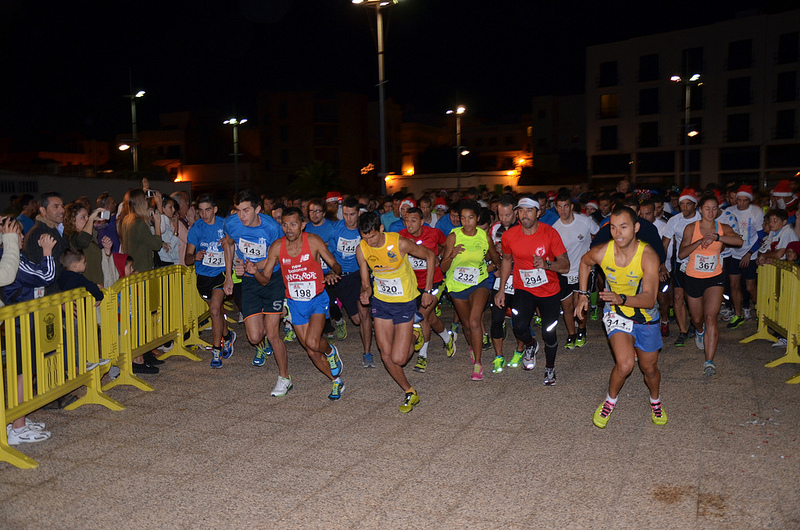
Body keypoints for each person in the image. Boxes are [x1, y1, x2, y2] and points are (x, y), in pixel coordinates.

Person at [576, 206, 666, 428]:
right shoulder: (603, 251)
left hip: (645, 316)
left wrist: (621, 298)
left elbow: (650, 299)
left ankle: (655, 400)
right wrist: (583, 295)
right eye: (613, 228)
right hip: (617, 313)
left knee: (649, 369)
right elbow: (585, 262)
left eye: (624, 227)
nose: (618, 233)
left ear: (636, 227)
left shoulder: (648, 256)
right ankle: (610, 401)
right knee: (625, 365)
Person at [256, 207, 346, 400]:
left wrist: (333, 273)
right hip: (295, 303)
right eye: (285, 224)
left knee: (314, 342)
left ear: (302, 225)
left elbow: (335, 264)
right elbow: (265, 279)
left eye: (293, 224)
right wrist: (253, 271)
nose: (289, 229)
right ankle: (336, 380)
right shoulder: (277, 247)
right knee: (311, 350)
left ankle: (331, 352)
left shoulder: (313, 241)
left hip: (316, 300)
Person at [356, 211, 437, 412]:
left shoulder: (398, 242)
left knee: (399, 358)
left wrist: (427, 290)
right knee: (386, 355)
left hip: (404, 302)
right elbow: (366, 283)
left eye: (373, 236)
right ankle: (410, 392)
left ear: (381, 229)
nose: (370, 242)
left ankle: (415, 331)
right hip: (382, 302)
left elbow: (430, 255)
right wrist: (365, 293)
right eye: (365, 238)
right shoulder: (362, 249)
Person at [494, 197, 569, 386]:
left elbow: (565, 265)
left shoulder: (550, 233)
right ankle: (530, 345)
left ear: (538, 213)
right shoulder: (510, 235)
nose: (524, 214)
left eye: (529, 210)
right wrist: (502, 289)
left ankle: (550, 368)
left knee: (549, 332)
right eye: (521, 211)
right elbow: (506, 261)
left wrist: (547, 264)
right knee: (518, 326)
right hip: (523, 288)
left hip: (549, 290)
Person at [223, 189, 291, 397]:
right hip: (250, 282)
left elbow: (277, 257)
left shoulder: (272, 228)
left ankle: (284, 378)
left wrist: (254, 265)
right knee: (254, 337)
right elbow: (229, 244)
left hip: (273, 281)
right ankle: (263, 344)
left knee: (272, 334)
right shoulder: (232, 223)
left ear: (258, 210)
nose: (241, 215)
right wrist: (228, 276)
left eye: (246, 210)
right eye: (238, 210)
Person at [2, 218, 56, 444]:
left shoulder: (12, 257)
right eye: (18, 234)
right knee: (21, 373)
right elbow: (46, 276)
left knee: (20, 371)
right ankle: (18, 427)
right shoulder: (9, 259)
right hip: (21, 324)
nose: (23, 238)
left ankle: (17, 419)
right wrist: (47, 253)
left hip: (20, 323)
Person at [678, 194, 742, 376]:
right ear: (700, 209)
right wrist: (699, 241)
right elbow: (682, 254)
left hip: (715, 276)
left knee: (710, 317)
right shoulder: (691, 228)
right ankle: (699, 331)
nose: (711, 212)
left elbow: (739, 241)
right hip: (693, 277)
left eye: (714, 209)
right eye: (707, 208)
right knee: (698, 319)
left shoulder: (723, 228)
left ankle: (709, 361)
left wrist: (718, 238)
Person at [440, 200, 501, 380]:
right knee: (466, 325)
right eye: (463, 218)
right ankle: (472, 346)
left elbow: (494, 257)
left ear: (478, 218)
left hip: (479, 282)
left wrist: (497, 266)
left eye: (471, 218)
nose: (466, 222)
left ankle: (478, 363)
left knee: (475, 321)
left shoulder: (484, 237)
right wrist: (451, 255)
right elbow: (443, 268)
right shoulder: (453, 237)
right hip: (457, 286)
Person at [399, 206, 455, 373]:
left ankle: (422, 356)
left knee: (422, 317)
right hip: (413, 285)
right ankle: (447, 337)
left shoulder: (434, 233)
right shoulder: (401, 236)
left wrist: (441, 258)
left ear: (423, 221)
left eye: (413, 220)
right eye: (407, 220)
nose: (409, 224)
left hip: (435, 281)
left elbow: (446, 245)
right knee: (430, 319)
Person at [185, 194, 236, 368]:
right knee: (216, 313)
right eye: (201, 210)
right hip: (203, 276)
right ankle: (228, 336)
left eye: (208, 210)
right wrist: (195, 256)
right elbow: (187, 258)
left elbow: (237, 243)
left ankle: (216, 351)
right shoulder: (196, 229)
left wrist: (229, 242)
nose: (204, 214)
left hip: (221, 273)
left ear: (214, 209)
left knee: (214, 310)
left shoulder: (225, 225)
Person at [328, 197, 374, 367]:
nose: (349, 218)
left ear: (358, 213)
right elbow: (329, 252)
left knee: (364, 314)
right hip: (342, 277)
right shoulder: (336, 229)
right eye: (345, 214)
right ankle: (371, 325)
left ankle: (367, 353)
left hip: (359, 275)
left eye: (352, 214)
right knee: (355, 319)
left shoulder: (363, 229)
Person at [552, 192, 599, 349]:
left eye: (566, 206)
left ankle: (581, 331)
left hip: (582, 271)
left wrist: (593, 255)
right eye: (559, 206)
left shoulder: (585, 221)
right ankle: (571, 335)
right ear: (556, 208)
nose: (563, 210)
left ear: (571, 206)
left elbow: (598, 235)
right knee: (567, 306)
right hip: (564, 273)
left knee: (580, 303)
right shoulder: (555, 229)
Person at [487, 195, 526, 371]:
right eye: (501, 215)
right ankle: (499, 356)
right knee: (496, 319)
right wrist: (495, 260)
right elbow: (490, 255)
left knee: (519, 320)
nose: (504, 219)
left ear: (516, 213)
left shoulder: (524, 229)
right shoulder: (495, 229)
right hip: (501, 280)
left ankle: (519, 351)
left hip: (519, 280)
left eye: (508, 215)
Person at [662, 188, 701, 347]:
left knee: (696, 299)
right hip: (680, 262)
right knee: (678, 297)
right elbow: (664, 244)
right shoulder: (674, 220)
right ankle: (683, 331)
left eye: (688, 204)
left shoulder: (702, 219)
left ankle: (697, 326)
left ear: (695, 204)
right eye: (681, 204)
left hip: (699, 264)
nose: (684, 207)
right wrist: (662, 265)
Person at [723, 185, 763, 328]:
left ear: (749, 200)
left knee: (750, 287)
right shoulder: (728, 212)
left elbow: (761, 236)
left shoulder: (756, 212)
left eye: (744, 200)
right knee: (733, 285)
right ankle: (738, 315)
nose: (740, 203)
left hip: (750, 254)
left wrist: (750, 253)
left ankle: (761, 314)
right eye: (738, 200)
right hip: (733, 254)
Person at [22, 192, 68, 295]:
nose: (62, 210)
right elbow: (41, 271)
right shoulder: (38, 233)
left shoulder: (57, 230)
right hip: (53, 298)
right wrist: (57, 297)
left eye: (62, 206)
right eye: (56, 207)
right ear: (43, 210)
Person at [118, 189, 163, 273]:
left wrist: (147, 219)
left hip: (134, 268)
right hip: (142, 271)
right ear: (140, 203)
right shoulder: (139, 223)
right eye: (145, 200)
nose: (147, 202)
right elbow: (157, 245)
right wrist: (157, 223)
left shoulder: (126, 220)